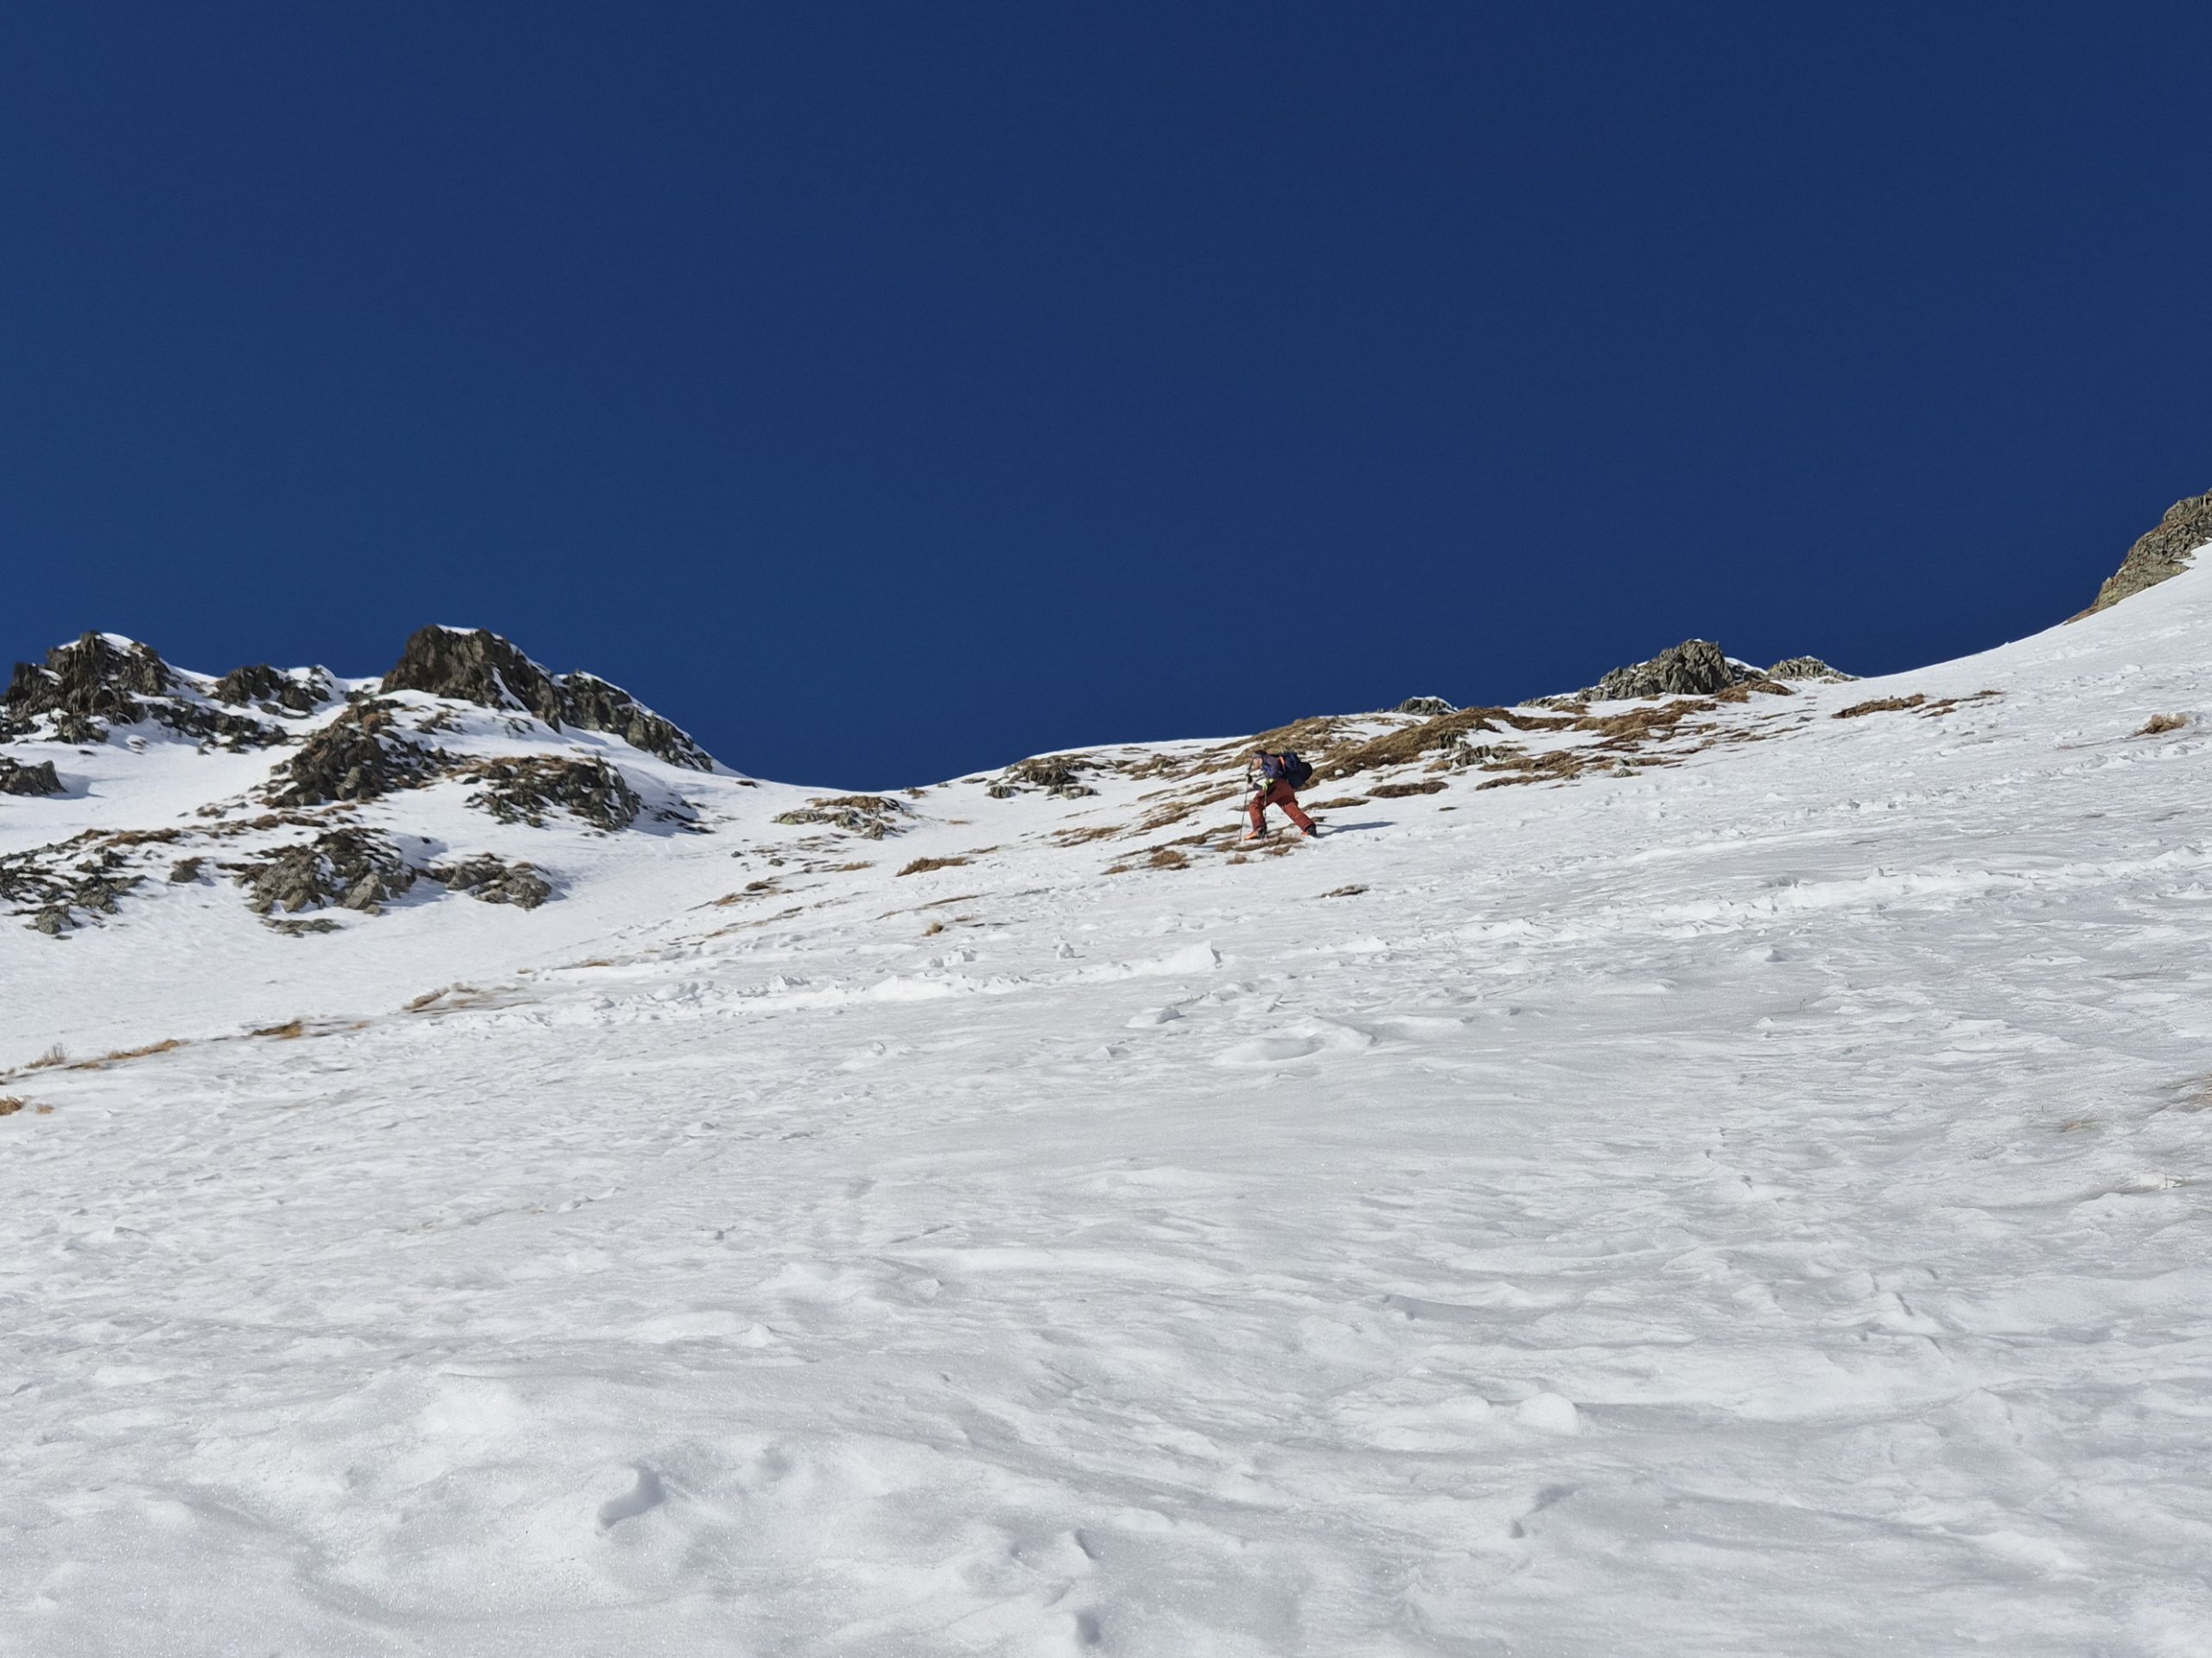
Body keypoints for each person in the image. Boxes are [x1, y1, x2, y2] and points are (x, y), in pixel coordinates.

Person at [1243, 749, 1318, 842]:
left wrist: (1272, 779)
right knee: (1290, 808)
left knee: (1255, 804)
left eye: (1253, 760)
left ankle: (1259, 829)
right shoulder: (1268, 766)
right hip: (1287, 787)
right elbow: (1265, 788)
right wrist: (1252, 783)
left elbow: (1275, 765)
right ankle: (1309, 827)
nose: (1252, 763)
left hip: (1277, 784)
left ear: (1259, 758)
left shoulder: (1267, 758)